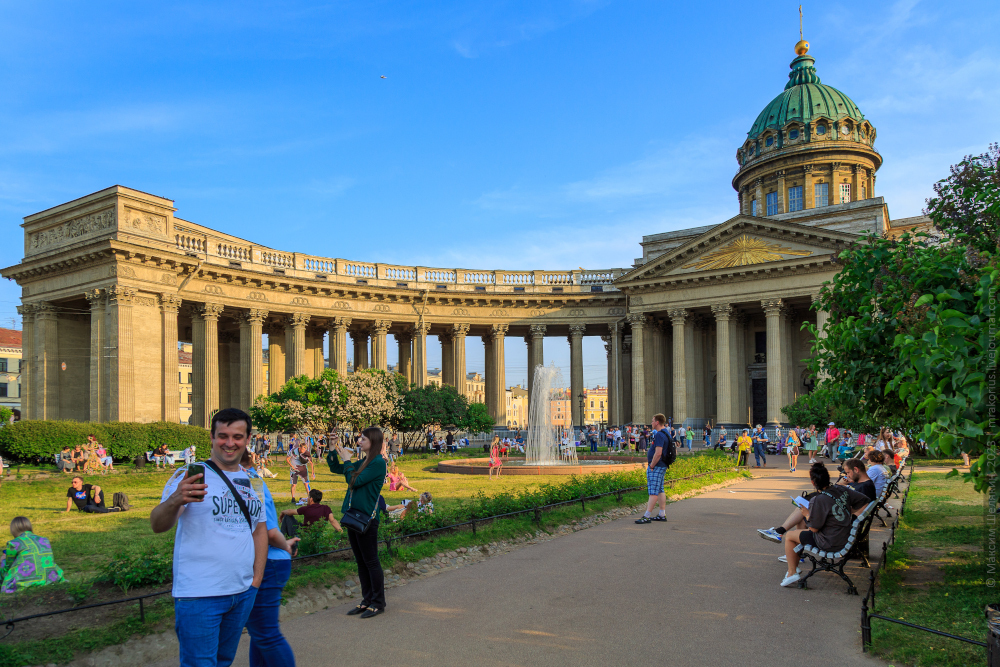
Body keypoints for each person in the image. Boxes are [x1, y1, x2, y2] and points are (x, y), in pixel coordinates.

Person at [150, 407, 267, 667]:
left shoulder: (253, 481)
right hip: (200, 594)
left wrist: (256, 579)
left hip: (242, 592)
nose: (229, 443)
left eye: (237, 437)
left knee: (223, 661)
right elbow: (158, 525)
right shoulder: (190, 475)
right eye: (222, 436)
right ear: (212, 438)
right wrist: (175, 500)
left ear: (247, 439)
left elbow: (259, 529)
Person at [771, 462, 871, 587]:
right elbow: (864, 500)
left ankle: (792, 572)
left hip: (831, 541)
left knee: (790, 536)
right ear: (828, 478)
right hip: (843, 534)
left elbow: (813, 528)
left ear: (813, 482)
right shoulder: (841, 489)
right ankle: (794, 567)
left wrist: (807, 514)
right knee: (798, 533)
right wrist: (847, 511)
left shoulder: (818, 499)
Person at [243, 456, 299, 667]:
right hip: (270, 561)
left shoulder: (249, 482)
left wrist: (284, 544)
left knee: (266, 634)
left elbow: (267, 530)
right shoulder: (252, 480)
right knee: (260, 633)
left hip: (269, 562)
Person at [327, 426, 388, 618]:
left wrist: (347, 460)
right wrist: (331, 448)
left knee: (370, 561)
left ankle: (378, 602)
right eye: (359, 438)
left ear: (373, 442)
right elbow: (337, 469)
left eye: (363, 439)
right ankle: (366, 600)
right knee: (361, 561)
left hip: (367, 518)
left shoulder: (378, 462)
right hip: (354, 516)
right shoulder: (365, 461)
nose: (358, 441)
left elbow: (354, 481)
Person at [0, 517, 64, 593]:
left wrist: (3, 559)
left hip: (23, 581)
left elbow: (8, 566)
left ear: (13, 529)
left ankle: (5, 586)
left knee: (3, 563)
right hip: (49, 578)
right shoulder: (44, 539)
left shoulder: (13, 543)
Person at [635, 414, 672, 524]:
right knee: (660, 489)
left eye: (652, 421)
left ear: (657, 422)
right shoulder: (667, 433)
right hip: (662, 465)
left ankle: (646, 516)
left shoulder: (660, 435)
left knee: (653, 491)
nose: (651, 423)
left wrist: (651, 466)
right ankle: (661, 514)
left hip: (656, 466)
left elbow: (658, 453)